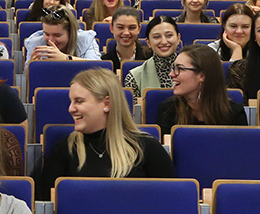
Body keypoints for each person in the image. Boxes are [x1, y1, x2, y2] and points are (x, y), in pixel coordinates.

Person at [36, 67, 175, 199]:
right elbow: (46, 202)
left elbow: (169, 201)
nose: (71, 109)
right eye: (71, 102)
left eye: (79, 101)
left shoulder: (146, 148)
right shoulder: (64, 149)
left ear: (106, 104)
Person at [156, 44, 247, 136]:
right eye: (174, 68)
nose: (171, 74)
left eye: (180, 68)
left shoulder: (234, 113)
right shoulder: (167, 110)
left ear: (202, 76)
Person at [24, 5, 101, 67]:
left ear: (71, 32)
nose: (50, 40)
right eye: (46, 34)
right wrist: (33, 66)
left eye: (57, 35)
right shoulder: (35, 44)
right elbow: (27, 77)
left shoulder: (86, 40)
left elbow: (98, 68)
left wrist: (65, 58)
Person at [124, 16, 181, 97]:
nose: (164, 42)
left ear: (178, 38)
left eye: (169, 35)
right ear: (148, 42)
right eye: (157, 37)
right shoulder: (134, 77)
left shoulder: (193, 72)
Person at [104, 7, 151, 73]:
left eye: (132, 28)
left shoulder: (150, 59)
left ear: (139, 29)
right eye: (120, 27)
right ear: (112, 28)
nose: (126, 33)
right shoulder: (104, 62)